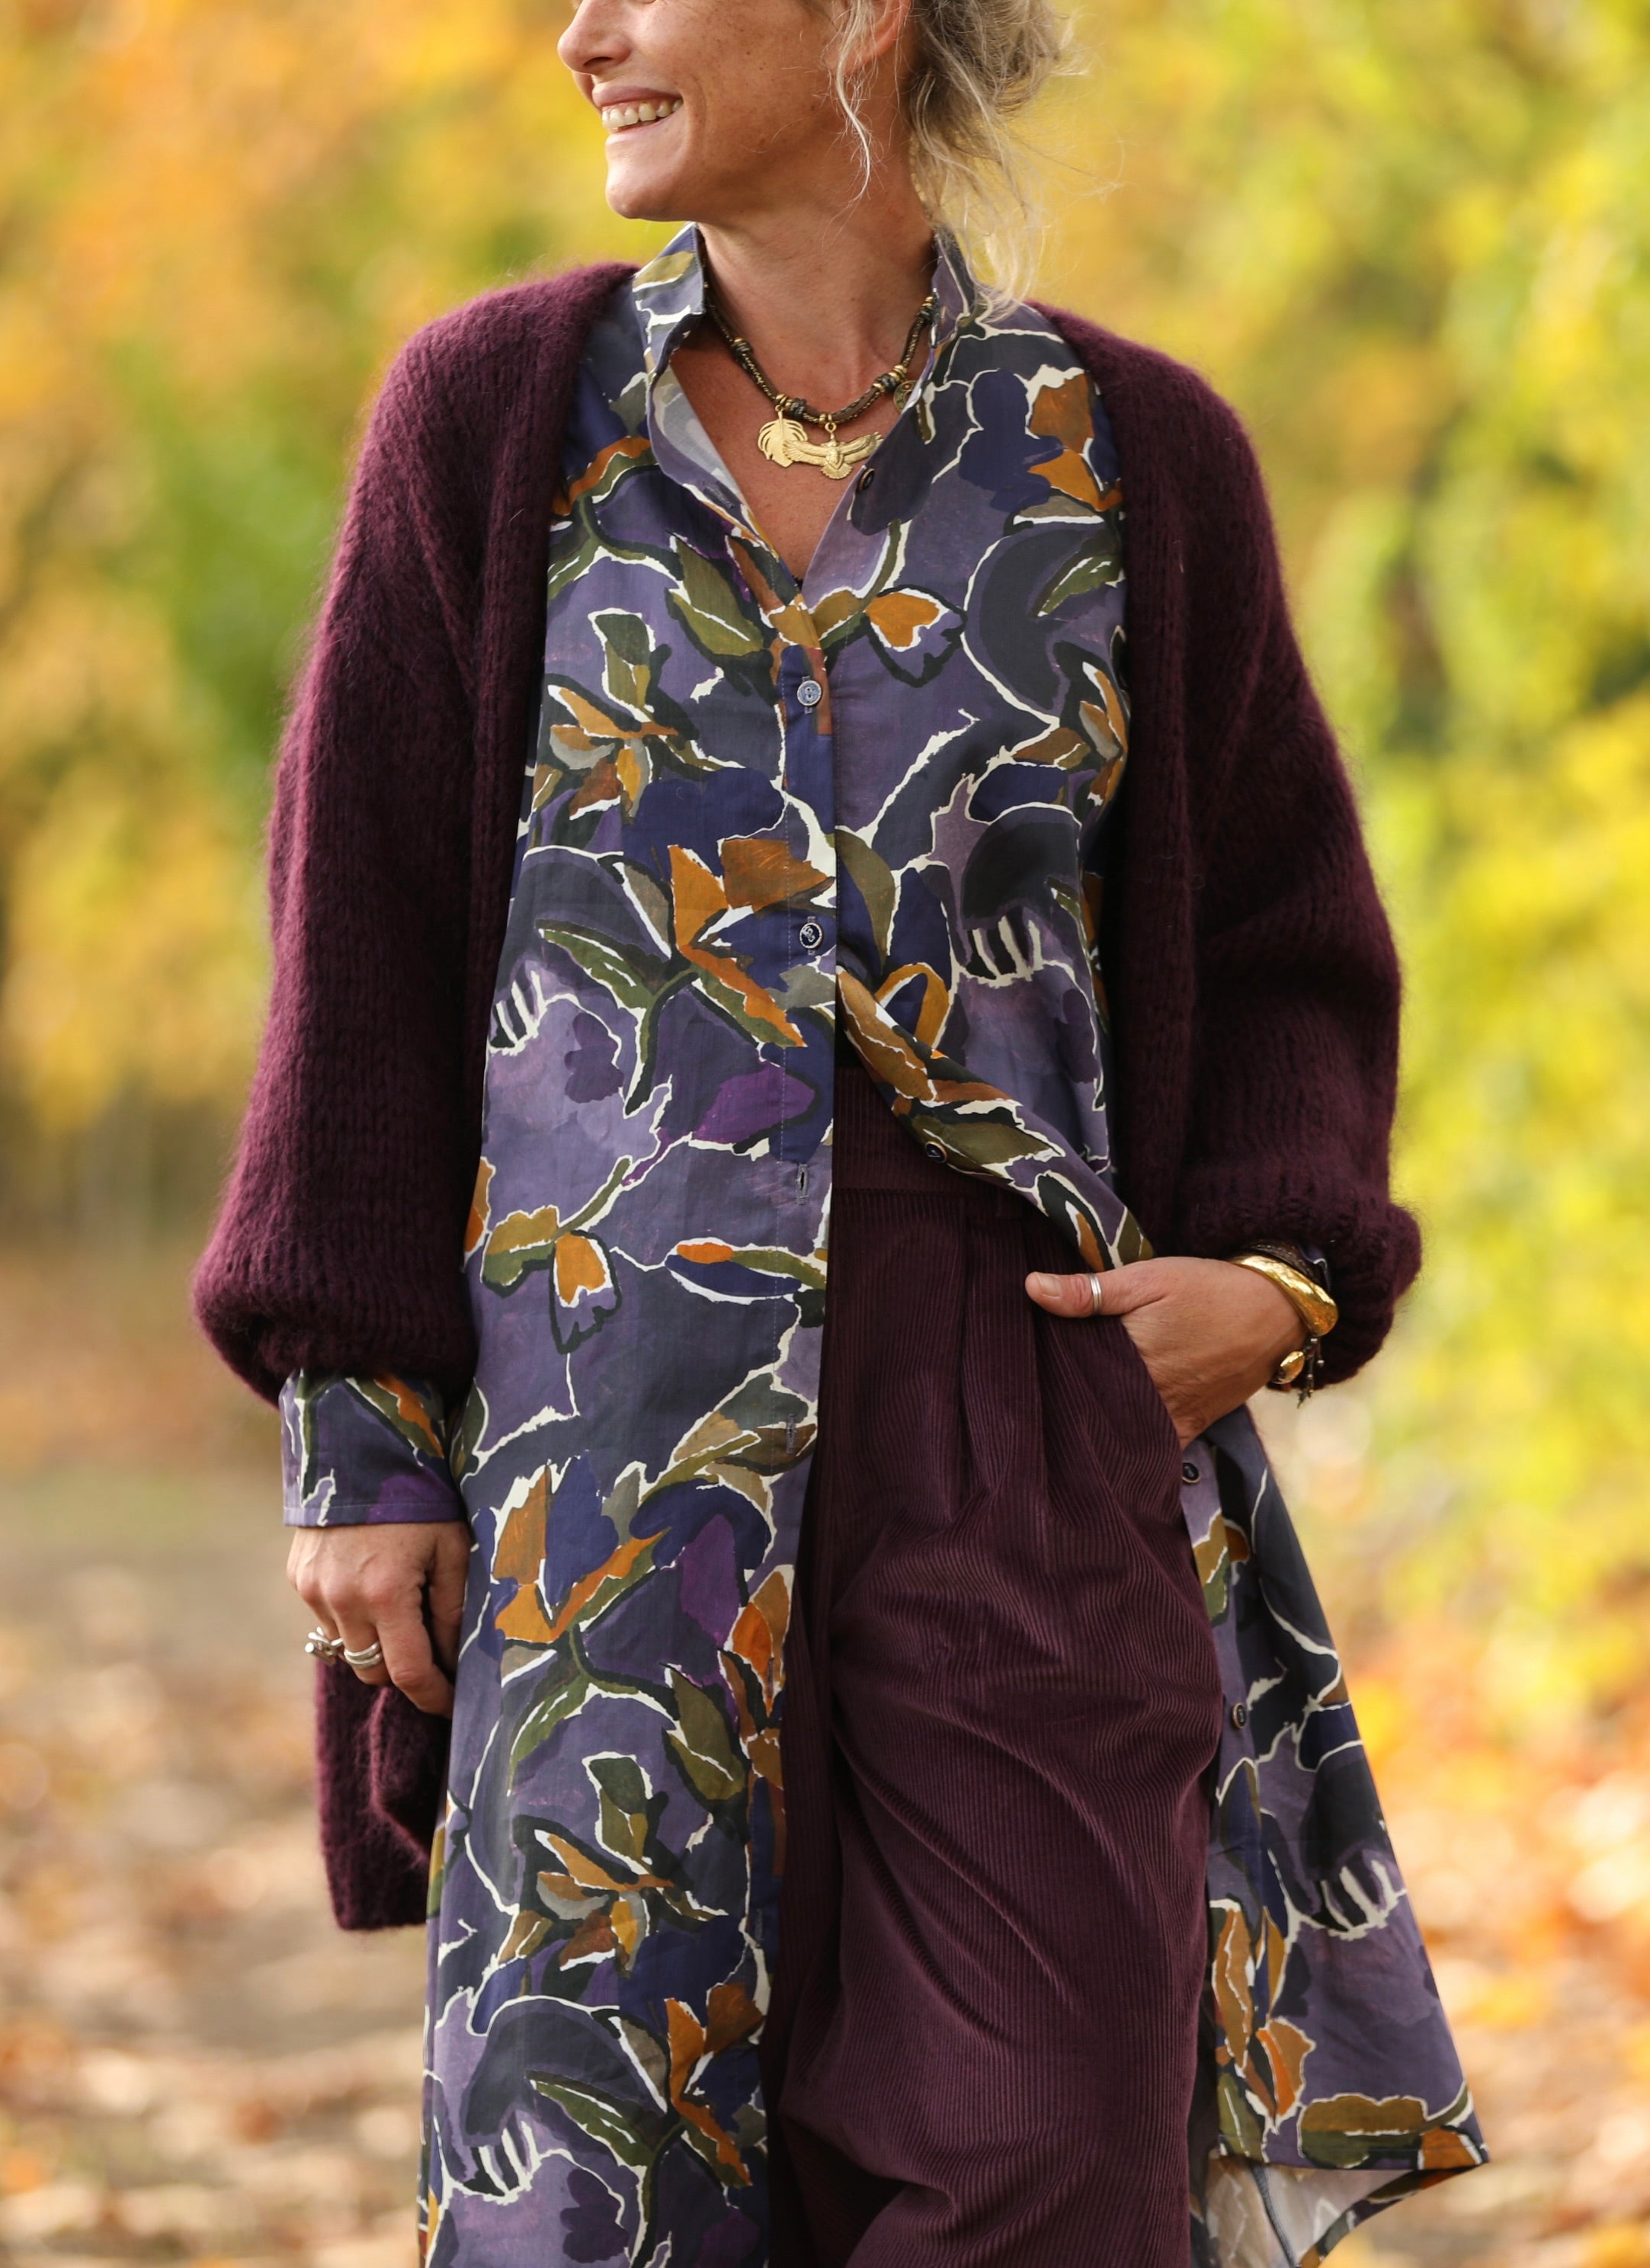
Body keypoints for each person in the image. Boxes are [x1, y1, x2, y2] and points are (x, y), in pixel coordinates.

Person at [194, 0, 1483, 2258]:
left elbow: (1285, 934)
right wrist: (360, 1434)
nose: (583, 32)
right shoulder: (491, 423)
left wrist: (1278, 1285)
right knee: (604, 2190)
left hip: (1024, 1414)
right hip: (598, 1456)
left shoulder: (1134, 459)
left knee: (1044, 2165)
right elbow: (360, 941)